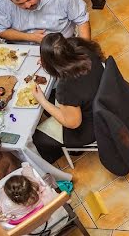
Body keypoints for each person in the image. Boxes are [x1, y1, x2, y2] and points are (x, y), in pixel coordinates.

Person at [30, 33, 105, 163]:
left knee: (37, 139)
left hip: (93, 125)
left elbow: (73, 123)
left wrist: (41, 101)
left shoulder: (66, 88)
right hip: (103, 98)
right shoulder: (82, 48)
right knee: (51, 99)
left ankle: (73, 149)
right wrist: (51, 62)